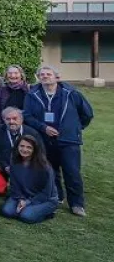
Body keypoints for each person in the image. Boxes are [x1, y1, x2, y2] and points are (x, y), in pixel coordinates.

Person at [23, 65, 93, 217]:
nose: (45, 76)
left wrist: (74, 128)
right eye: (42, 74)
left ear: (57, 77)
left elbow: (87, 114)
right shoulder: (32, 94)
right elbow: (27, 116)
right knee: (50, 171)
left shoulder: (71, 93)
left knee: (72, 172)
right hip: (44, 139)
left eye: (48, 74)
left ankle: (76, 204)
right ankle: (57, 196)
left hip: (69, 140)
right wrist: (43, 128)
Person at [1, 135, 60, 224]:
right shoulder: (14, 161)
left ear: (34, 150)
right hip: (23, 195)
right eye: (22, 146)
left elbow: (46, 193)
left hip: (45, 199)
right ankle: (27, 208)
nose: (24, 150)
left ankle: (49, 212)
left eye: (29, 147)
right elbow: (14, 185)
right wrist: (21, 199)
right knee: (7, 211)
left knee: (26, 216)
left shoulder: (44, 167)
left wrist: (27, 202)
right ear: (17, 147)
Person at [0, 107, 43, 175]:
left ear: (21, 119)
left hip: (26, 168)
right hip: (3, 166)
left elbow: (40, 152)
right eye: (8, 119)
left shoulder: (32, 133)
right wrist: (5, 166)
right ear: (4, 120)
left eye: (14, 118)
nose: (11, 122)